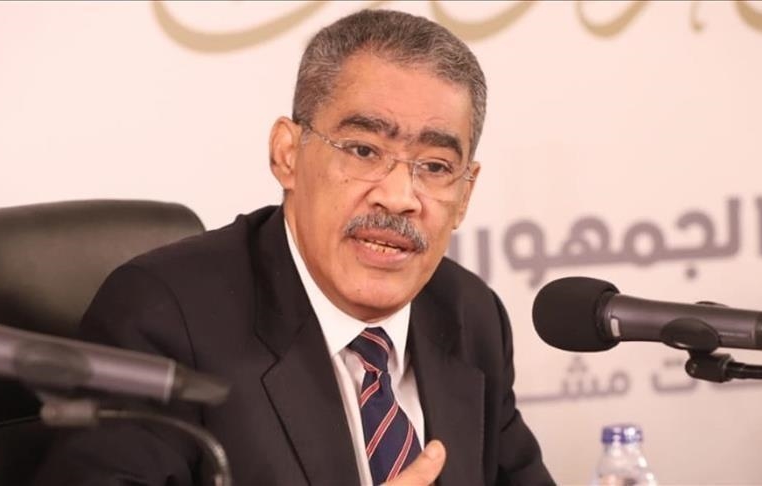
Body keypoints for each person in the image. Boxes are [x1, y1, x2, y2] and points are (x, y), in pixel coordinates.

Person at [34, 8, 555, 486]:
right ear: (287, 154)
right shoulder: (163, 321)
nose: (399, 197)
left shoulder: (468, 315)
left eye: (436, 167)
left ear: (465, 194)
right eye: (364, 150)